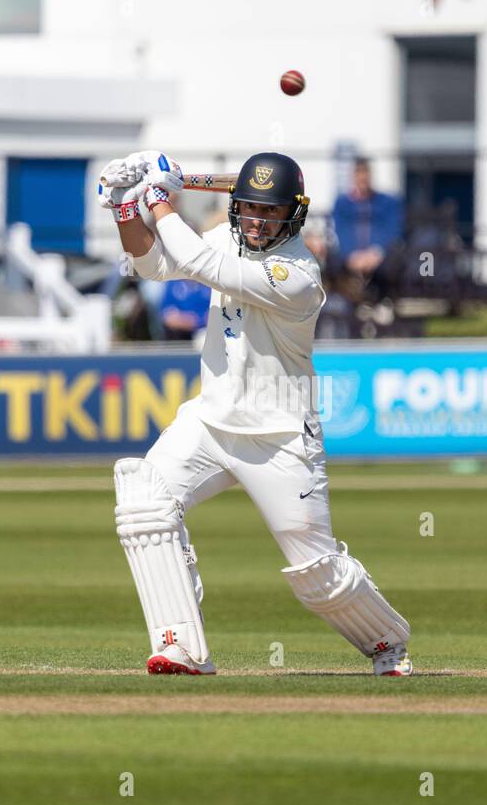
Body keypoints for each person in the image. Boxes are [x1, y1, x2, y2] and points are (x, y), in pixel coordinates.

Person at [97, 149, 412, 676]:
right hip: (210, 423)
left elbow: (200, 264)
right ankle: (180, 646)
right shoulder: (225, 236)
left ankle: (387, 640)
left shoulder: (299, 273)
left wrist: (161, 200)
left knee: (318, 574)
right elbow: (153, 265)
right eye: (250, 208)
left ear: (294, 214)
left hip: (280, 437)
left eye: (270, 212)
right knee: (143, 503)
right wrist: (125, 208)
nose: (259, 221)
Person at [330, 158, 402, 295]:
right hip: (351, 256)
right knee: (333, 263)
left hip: (378, 256)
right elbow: (340, 230)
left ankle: (383, 301)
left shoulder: (387, 202)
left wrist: (376, 252)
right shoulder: (342, 203)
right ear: (353, 177)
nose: (362, 178)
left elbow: (393, 230)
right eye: (358, 174)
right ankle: (342, 303)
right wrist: (351, 255)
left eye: (365, 174)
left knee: (391, 265)